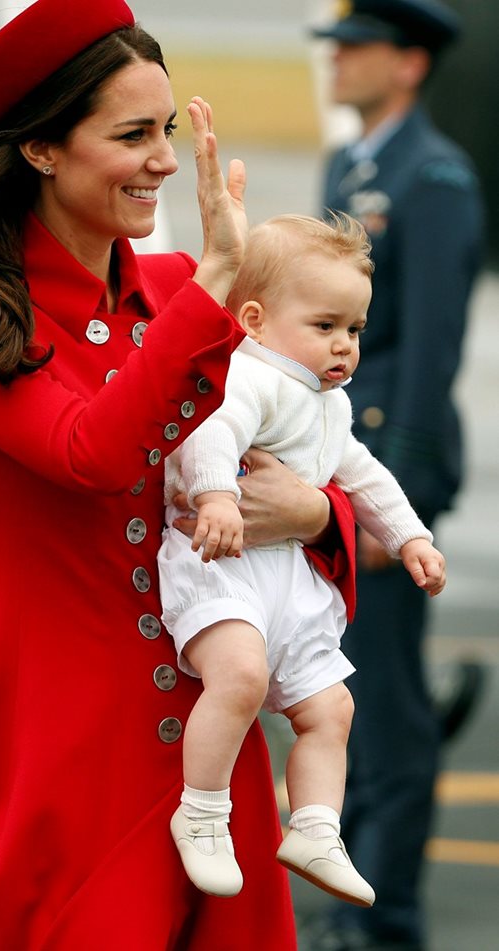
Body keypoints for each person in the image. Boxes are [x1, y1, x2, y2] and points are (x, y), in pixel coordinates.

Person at [0, 1, 361, 948]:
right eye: (133, 134)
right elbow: (92, 454)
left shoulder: (181, 293)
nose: (167, 162)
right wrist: (217, 283)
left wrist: (314, 510)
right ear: (43, 150)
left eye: (169, 131)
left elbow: (319, 446)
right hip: (59, 744)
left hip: (206, 759)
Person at [158, 212, 446, 906]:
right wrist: (219, 497)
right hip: (222, 564)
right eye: (325, 326)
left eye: (353, 329)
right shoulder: (246, 378)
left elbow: (365, 475)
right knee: (241, 678)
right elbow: (208, 435)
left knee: (332, 706)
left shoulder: (330, 404)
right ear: (254, 320)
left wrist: (411, 537)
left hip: (288, 579)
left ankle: (316, 826)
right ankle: (200, 811)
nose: (344, 345)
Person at [303, 1, 486, 948]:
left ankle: (386, 922)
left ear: (409, 63)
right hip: (336, 471)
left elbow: (429, 353)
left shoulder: (433, 177)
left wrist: (395, 499)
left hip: (381, 482)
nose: (336, 62)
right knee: (346, 700)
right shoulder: (357, 167)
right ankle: (355, 905)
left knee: (387, 716)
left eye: (357, 48)